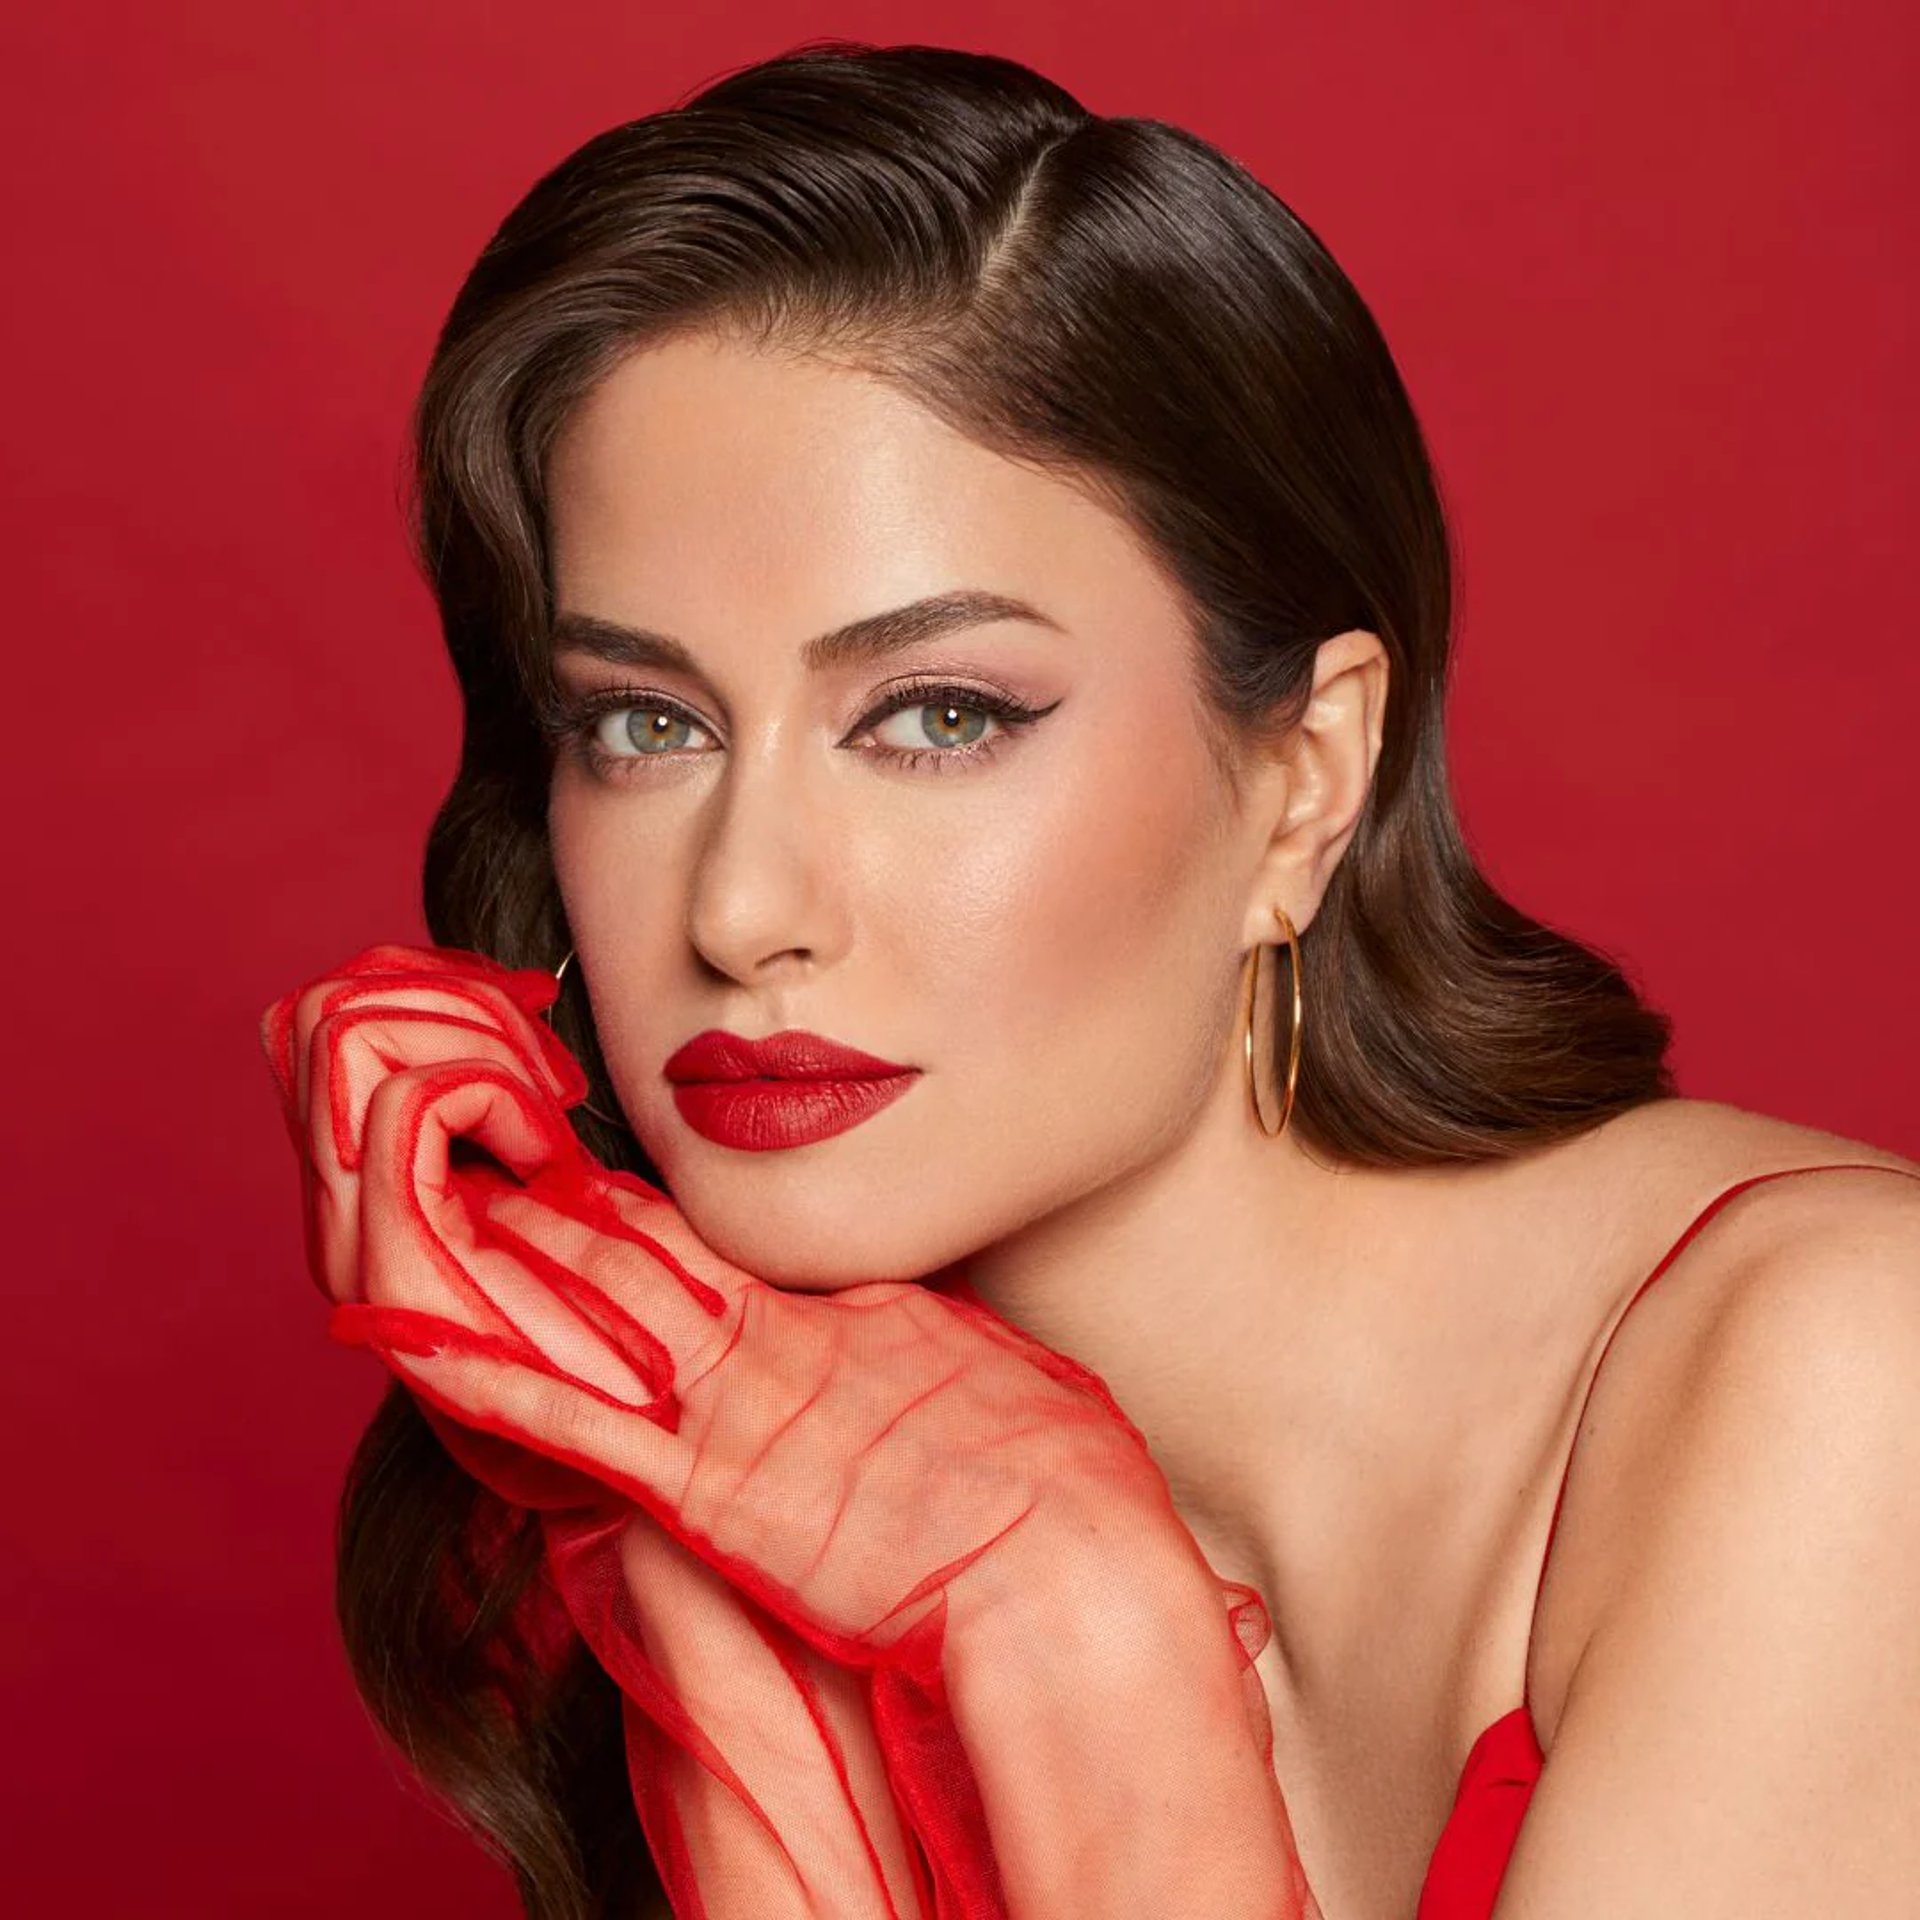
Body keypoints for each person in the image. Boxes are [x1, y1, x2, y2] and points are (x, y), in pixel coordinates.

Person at [259, 38, 1920, 1920]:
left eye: (939, 714)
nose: (739, 908)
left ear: (1304, 780)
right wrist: (743, 1631)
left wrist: (1083, 1644)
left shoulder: (1847, 1386)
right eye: (648, 723)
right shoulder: (819, 1482)